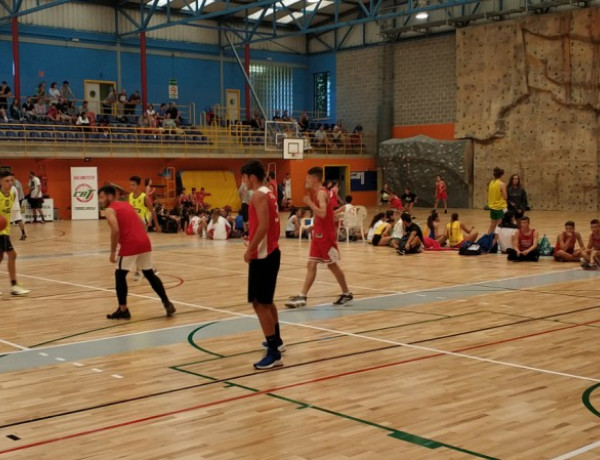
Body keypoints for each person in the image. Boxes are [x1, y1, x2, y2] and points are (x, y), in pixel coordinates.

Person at [98, 185, 175, 320]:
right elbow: (143, 223)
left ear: (110, 197)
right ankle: (166, 302)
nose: (100, 200)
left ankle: (123, 310)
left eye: (102, 197)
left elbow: (115, 230)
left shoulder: (109, 210)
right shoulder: (127, 205)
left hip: (130, 244)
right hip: (144, 241)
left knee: (119, 275)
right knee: (149, 274)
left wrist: (112, 252)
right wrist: (138, 236)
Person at [286, 167, 353, 308]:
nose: (306, 180)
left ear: (315, 178)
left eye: (308, 177)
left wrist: (309, 203)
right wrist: (314, 225)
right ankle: (302, 296)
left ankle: (347, 293)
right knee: (311, 264)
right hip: (319, 234)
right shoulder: (319, 193)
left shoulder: (321, 193)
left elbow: (322, 213)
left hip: (326, 237)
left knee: (332, 265)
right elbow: (325, 215)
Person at [240, 160, 283, 369]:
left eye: (243, 177)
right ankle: (277, 341)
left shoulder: (257, 194)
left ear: (251, 177)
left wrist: (250, 249)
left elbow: (264, 225)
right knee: (268, 301)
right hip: (272, 251)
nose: (243, 182)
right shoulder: (270, 191)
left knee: (260, 304)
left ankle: (274, 353)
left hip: (264, 255)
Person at [0, 171, 30, 295]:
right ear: (0, 182)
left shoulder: (13, 193)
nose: (10, 183)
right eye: (7, 181)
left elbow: (13, 211)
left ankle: (14, 285)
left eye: (12, 180)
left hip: (5, 230)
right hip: (0, 232)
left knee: (1, 256)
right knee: (12, 255)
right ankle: (14, 285)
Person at [487, 167, 508, 234]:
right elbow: (505, 197)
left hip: (492, 207)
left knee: (492, 226)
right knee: (500, 226)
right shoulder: (502, 184)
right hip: (500, 207)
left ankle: (488, 239)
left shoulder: (491, 183)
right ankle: (498, 241)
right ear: (501, 175)